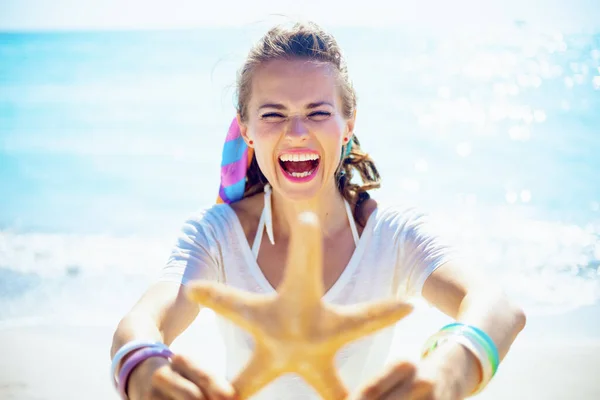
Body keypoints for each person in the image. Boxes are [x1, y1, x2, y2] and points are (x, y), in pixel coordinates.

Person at [110, 20, 526, 400]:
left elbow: (498, 306)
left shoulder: (391, 235)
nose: (296, 132)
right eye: (273, 114)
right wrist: (144, 371)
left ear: (348, 124)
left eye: (318, 113)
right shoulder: (217, 235)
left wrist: (448, 373)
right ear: (247, 129)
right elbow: (143, 320)